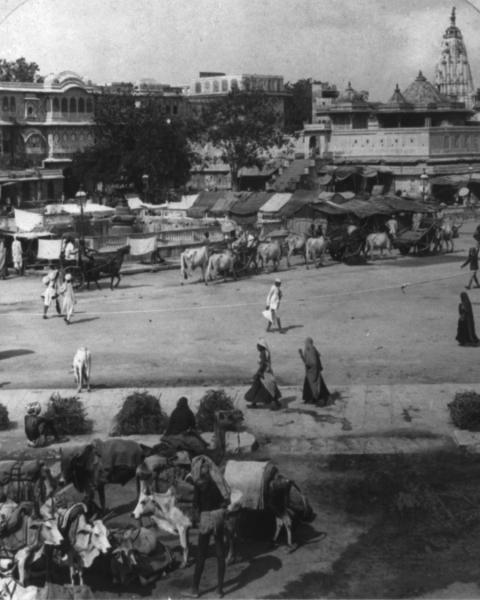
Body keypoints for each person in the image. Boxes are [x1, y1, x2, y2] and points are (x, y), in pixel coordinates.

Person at [187, 457, 230, 598]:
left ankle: (194, 590)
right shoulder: (218, 483)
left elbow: (195, 505)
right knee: (220, 553)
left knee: (201, 555)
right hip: (218, 517)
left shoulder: (199, 484)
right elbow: (225, 501)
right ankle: (220, 590)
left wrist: (195, 516)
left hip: (206, 518)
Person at [245, 339, 282, 410]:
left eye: (258, 346)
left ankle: (274, 403)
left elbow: (263, 364)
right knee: (266, 387)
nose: (257, 347)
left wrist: (258, 373)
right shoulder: (266, 352)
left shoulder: (263, 353)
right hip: (266, 372)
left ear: (261, 346)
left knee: (262, 387)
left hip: (264, 373)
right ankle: (255, 403)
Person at [298, 337, 330, 406]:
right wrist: (301, 355)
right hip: (312, 372)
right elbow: (308, 361)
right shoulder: (310, 349)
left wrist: (309, 365)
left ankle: (320, 399)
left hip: (312, 372)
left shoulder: (310, 350)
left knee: (316, 385)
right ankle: (311, 399)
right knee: (312, 385)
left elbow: (312, 362)